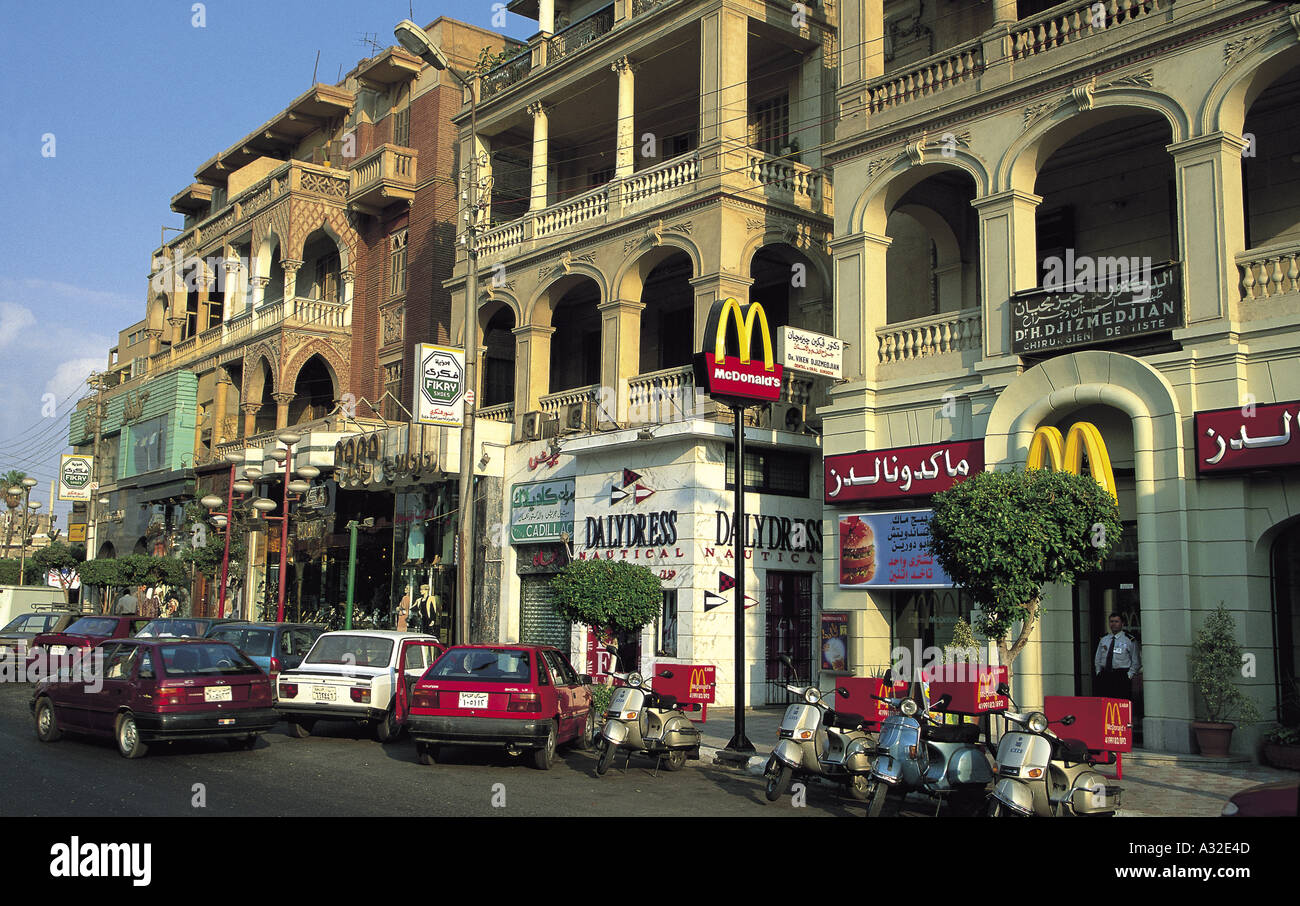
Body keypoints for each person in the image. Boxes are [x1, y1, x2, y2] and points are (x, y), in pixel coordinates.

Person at [1094, 612, 1141, 700]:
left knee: (1121, 702)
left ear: (1122, 623)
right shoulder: (1104, 639)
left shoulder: (1129, 640)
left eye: (1116, 621)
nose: (1113, 624)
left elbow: (1136, 661)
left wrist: (1129, 675)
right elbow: (1098, 658)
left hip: (1121, 676)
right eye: (1111, 621)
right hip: (1105, 675)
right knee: (1106, 702)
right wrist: (1098, 672)